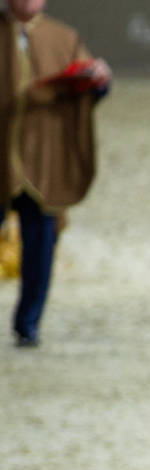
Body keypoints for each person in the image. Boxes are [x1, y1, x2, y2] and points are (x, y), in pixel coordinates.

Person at [0, 0, 111, 348]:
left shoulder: (62, 38)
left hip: (42, 158)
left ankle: (28, 323)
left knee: (41, 242)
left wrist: (98, 80)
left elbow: (88, 88)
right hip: (2, 155)